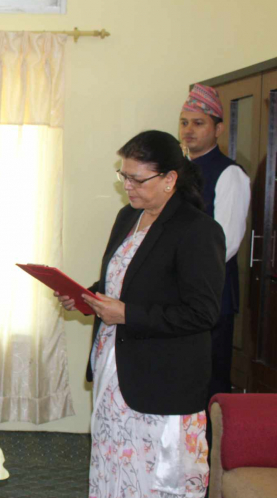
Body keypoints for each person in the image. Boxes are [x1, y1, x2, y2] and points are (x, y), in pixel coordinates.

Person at [56, 131, 225, 498]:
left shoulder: (197, 231)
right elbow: (122, 281)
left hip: (163, 382)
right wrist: (85, 297)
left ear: (169, 180)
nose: (128, 186)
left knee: (156, 480)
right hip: (114, 370)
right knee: (115, 467)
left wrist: (129, 315)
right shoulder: (127, 218)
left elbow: (203, 313)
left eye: (137, 179)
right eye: (124, 176)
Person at [179, 84, 251, 400]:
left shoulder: (230, 174)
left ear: (218, 128)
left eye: (198, 123)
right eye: (184, 122)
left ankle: (211, 450)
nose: (189, 130)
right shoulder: (178, 171)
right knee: (182, 380)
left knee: (208, 382)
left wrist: (183, 271)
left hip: (211, 294)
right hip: (180, 294)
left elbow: (226, 242)